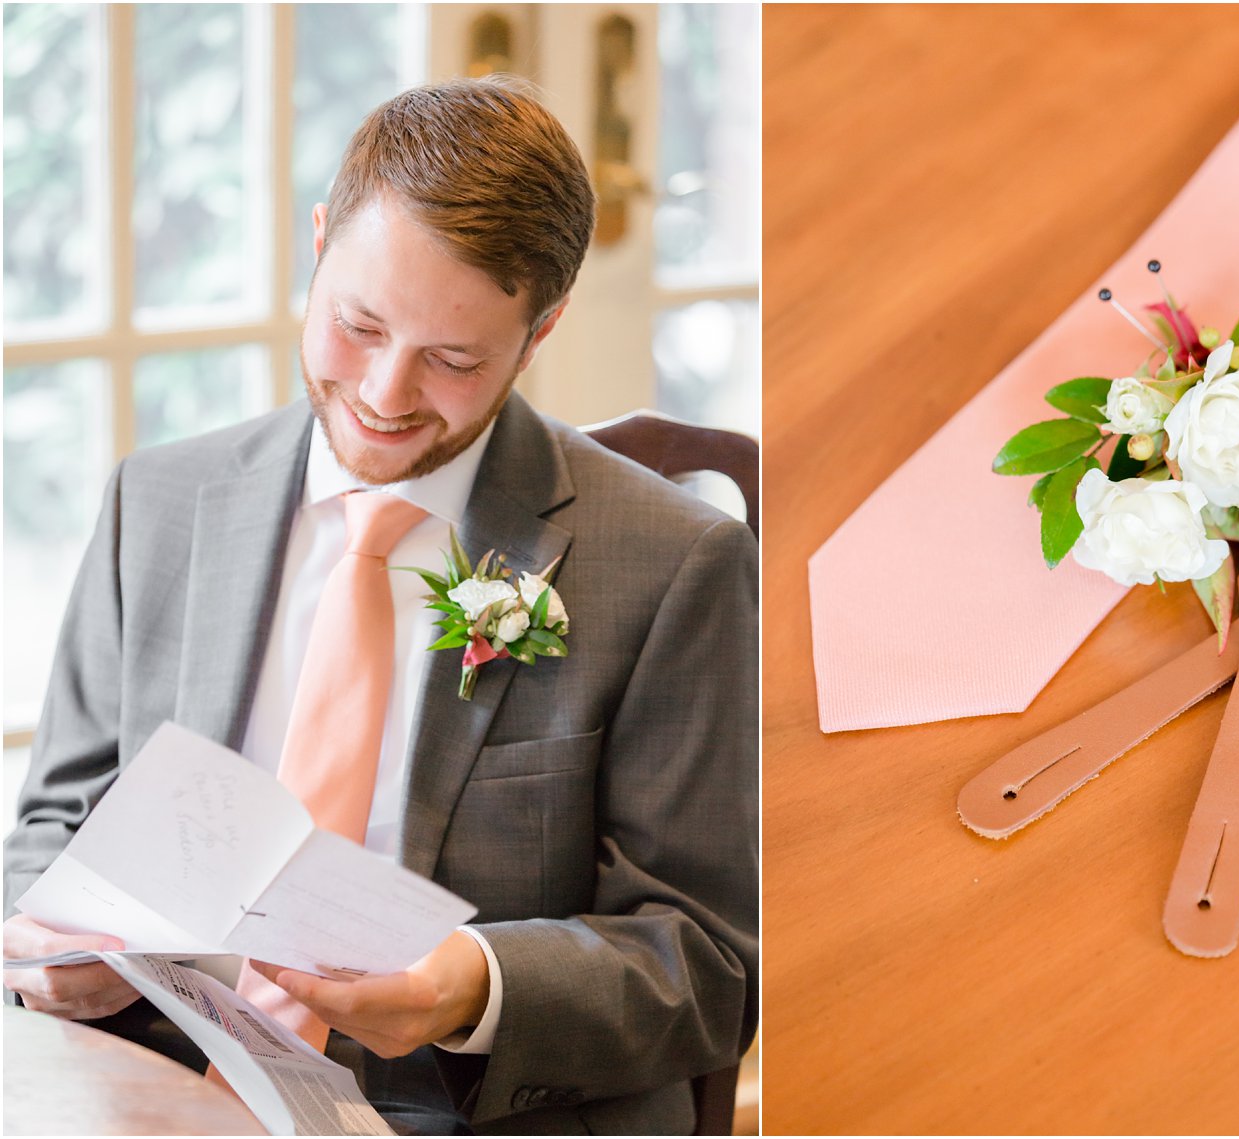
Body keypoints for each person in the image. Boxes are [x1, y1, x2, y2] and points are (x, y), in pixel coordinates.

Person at [3, 76, 757, 1135]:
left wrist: (473, 984)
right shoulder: (159, 503)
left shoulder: (671, 564)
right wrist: (49, 945)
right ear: (318, 242)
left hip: (462, 1110)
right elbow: (51, 824)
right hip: (162, 1088)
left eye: (453, 360)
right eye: (357, 325)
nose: (385, 394)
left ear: (540, 332)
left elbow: (708, 963)